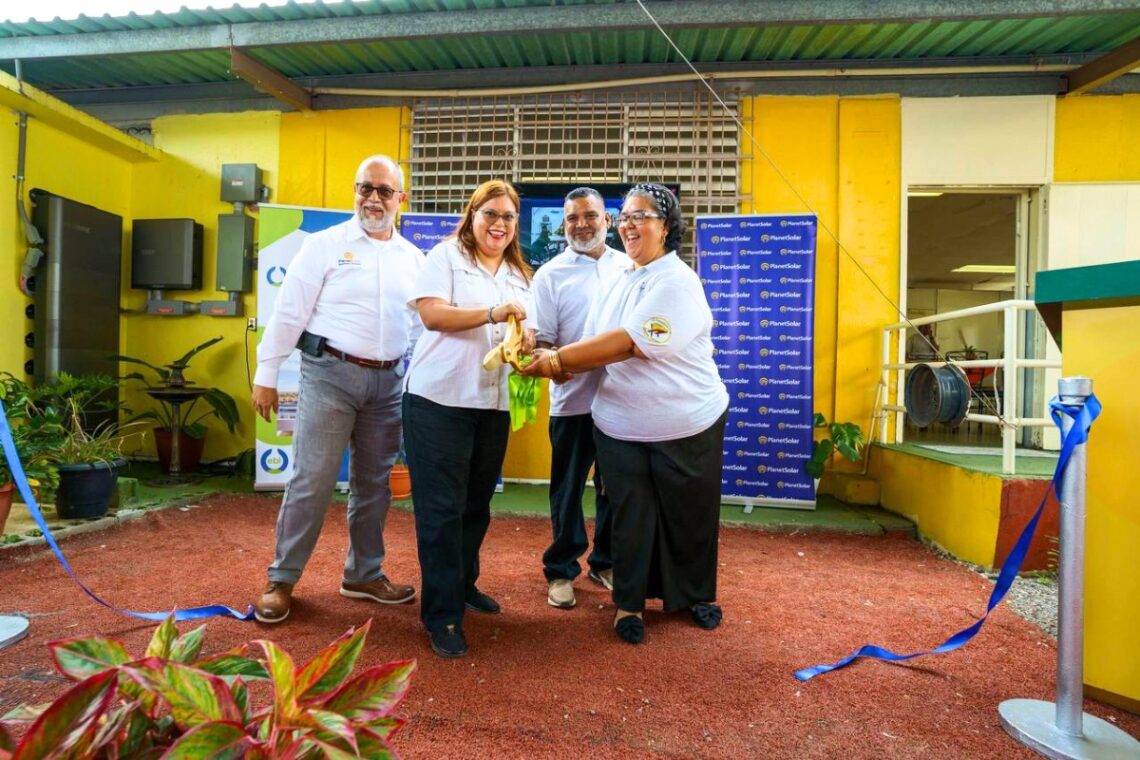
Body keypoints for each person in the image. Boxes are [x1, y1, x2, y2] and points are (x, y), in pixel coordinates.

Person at [520, 183, 728, 645]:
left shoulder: (677, 280)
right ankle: (628, 604)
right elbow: (594, 339)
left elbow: (634, 342)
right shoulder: (619, 277)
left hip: (686, 421)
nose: (630, 224)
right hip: (618, 423)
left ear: (666, 227)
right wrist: (559, 364)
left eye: (642, 216)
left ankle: (696, 595)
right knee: (630, 518)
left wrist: (557, 362)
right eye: (627, 215)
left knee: (687, 514)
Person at [251, 154, 423, 624]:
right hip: (329, 375)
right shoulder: (322, 246)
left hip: (389, 383)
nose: (374, 198)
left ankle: (363, 574)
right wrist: (266, 374)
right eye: (365, 188)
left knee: (374, 485)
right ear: (355, 192)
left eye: (384, 191)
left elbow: (420, 328)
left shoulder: (414, 259)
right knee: (313, 479)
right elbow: (289, 312)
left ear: (400, 199)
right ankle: (281, 580)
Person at [403, 179, 535, 658]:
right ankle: (442, 616)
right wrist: (492, 313)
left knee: (475, 507)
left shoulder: (522, 272)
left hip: (492, 405)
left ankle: (462, 586)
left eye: (508, 217)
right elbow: (434, 316)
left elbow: (528, 330)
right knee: (441, 512)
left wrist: (530, 349)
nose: (499, 224)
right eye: (490, 214)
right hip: (438, 402)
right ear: (473, 215)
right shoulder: (444, 257)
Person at [531, 188, 629, 610]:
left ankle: (605, 562)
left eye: (590, 216)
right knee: (567, 489)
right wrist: (555, 363)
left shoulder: (632, 268)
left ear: (607, 220)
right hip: (573, 402)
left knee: (614, 488)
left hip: (624, 401)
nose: (581, 224)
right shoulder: (549, 275)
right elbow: (543, 344)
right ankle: (561, 569)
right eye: (572, 218)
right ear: (564, 224)